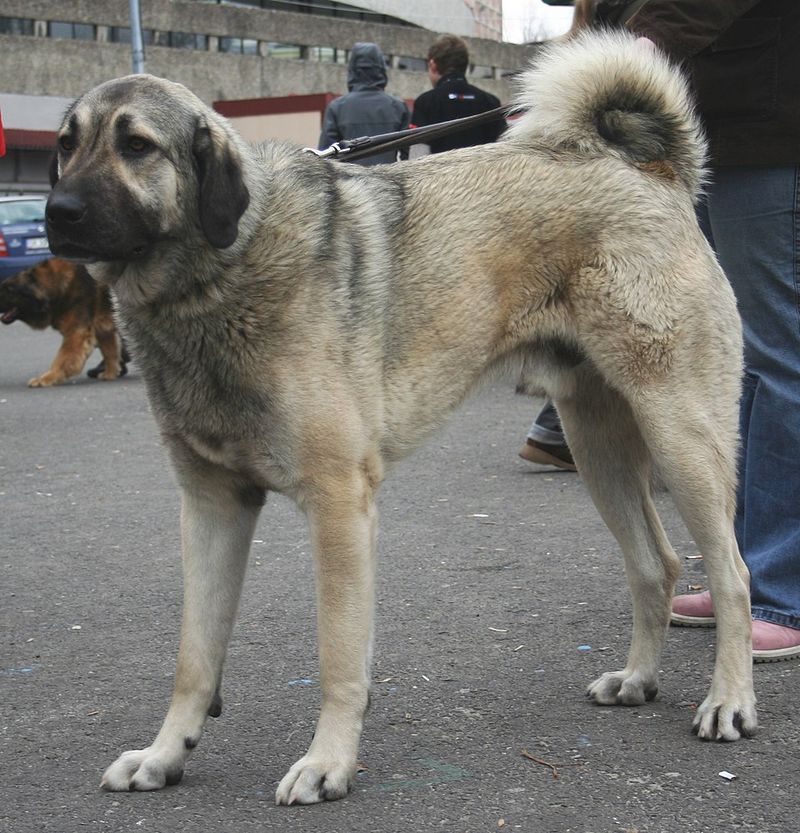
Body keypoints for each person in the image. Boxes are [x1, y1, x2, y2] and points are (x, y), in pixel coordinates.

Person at [526, 0, 800, 661]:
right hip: (701, 130)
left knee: (776, 357)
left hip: (767, 127)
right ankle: (743, 567)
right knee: (723, 365)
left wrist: (645, 45)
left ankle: (782, 588)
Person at [410, 34, 506, 153]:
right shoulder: (491, 103)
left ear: (432, 65)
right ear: (465, 66)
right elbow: (504, 150)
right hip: (482, 171)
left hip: (439, 171)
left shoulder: (425, 102)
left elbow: (417, 155)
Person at [318, 42, 409, 166]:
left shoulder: (337, 108)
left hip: (350, 182)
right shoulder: (398, 107)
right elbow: (408, 156)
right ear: (381, 70)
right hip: (388, 180)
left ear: (352, 71)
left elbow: (326, 155)